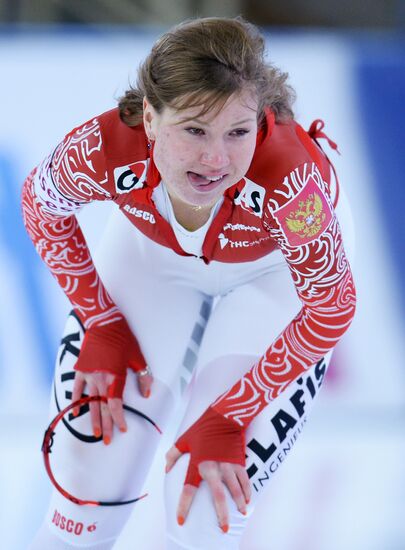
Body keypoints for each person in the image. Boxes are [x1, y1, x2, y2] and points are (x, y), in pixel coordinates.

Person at [23, 16, 356, 550]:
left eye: (238, 133)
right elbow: (41, 207)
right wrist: (101, 320)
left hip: (273, 277)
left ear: (260, 120)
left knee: (203, 506)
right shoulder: (104, 147)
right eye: (194, 130)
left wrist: (230, 414)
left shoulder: (292, 183)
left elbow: (331, 307)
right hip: (152, 260)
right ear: (149, 120)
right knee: (85, 483)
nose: (216, 160)